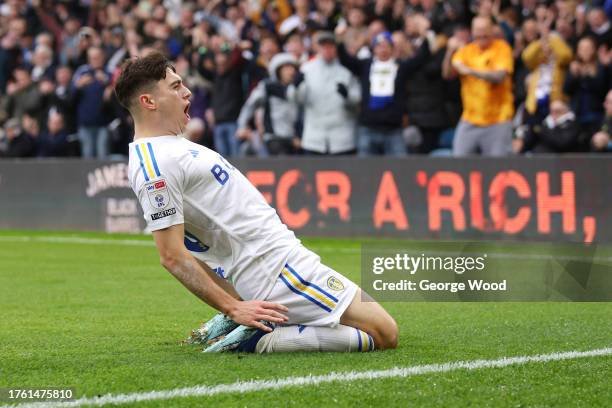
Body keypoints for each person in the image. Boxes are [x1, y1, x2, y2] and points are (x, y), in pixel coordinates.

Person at [114, 51, 398, 353]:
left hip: (279, 261)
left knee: (371, 326)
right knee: (384, 334)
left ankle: (259, 322)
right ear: (148, 102)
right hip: (275, 270)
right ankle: (261, 337)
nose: (187, 92)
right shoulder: (154, 165)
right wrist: (234, 308)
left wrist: (234, 302)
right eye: (175, 86)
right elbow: (172, 254)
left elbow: (194, 243)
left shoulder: (169, 146)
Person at [335, 21, 430, 156]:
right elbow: (345, 60)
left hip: (394, 130)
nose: (383, 50)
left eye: (386, 46)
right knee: (365, 172)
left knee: (399, 171)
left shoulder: (400, 67)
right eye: (379, 46)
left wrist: (424, 36)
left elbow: (421, 59)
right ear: (374, 49)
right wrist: (340, 40)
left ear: (392, 49)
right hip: (368, 128)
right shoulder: (366, 66)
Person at [442, 17, 514, 156]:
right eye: (478, 34)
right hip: (470, 119)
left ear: (491, 31)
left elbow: (499, 77)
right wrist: (449, 52)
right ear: (472, 32)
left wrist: (470, 71)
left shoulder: (501, 48)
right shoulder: (467, 51)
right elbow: (447, 74)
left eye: (485, 34)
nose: (481, 37)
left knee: (498, 168)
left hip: (498, 119)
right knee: (458, 162)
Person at [287, 31, 360, 155]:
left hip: (342, 138)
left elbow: (357, 100)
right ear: (318, 48)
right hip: (314, 138)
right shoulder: (307, 69)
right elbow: (296, 99)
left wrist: (347, 96)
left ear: (335, 48)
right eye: (324, 46)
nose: (327, 50)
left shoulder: (347, 70)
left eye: (330, 46)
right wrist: (295, 87)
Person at [237, 53, 300, 156]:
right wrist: (242, 126)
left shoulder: (295, 89)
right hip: (273, 139)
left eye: (293, 68)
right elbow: (250, 105)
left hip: (292, 140)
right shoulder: (267, 87)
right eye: (287, 67)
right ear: (278, 70)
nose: (291, 71)